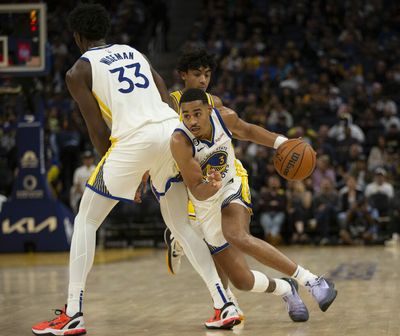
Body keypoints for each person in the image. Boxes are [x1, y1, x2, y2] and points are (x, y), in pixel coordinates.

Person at [32, 5, 240, 336]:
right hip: (170, 131)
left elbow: (96, 127)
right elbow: (163, 98)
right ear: (105, 31)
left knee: (86, 219)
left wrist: (124, 168)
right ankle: (224, 303)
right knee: (181, 225)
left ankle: (72, 313)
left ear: (77, 37)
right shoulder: (133, 51)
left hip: (135, 139)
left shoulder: (77, 71)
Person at [172, 88, 337, 320]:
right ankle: (286, 288)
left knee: (236, 234)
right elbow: (197, 190)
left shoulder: (224, 118)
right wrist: (211, 186)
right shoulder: (180, 141)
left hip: (232, 184)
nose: (192, 121)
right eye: (186, 115)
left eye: (197, 114)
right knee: (242, 280)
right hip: (205, 200)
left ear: (209, 110)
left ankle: (313, 281)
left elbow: (248, 131)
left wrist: (282, 143)